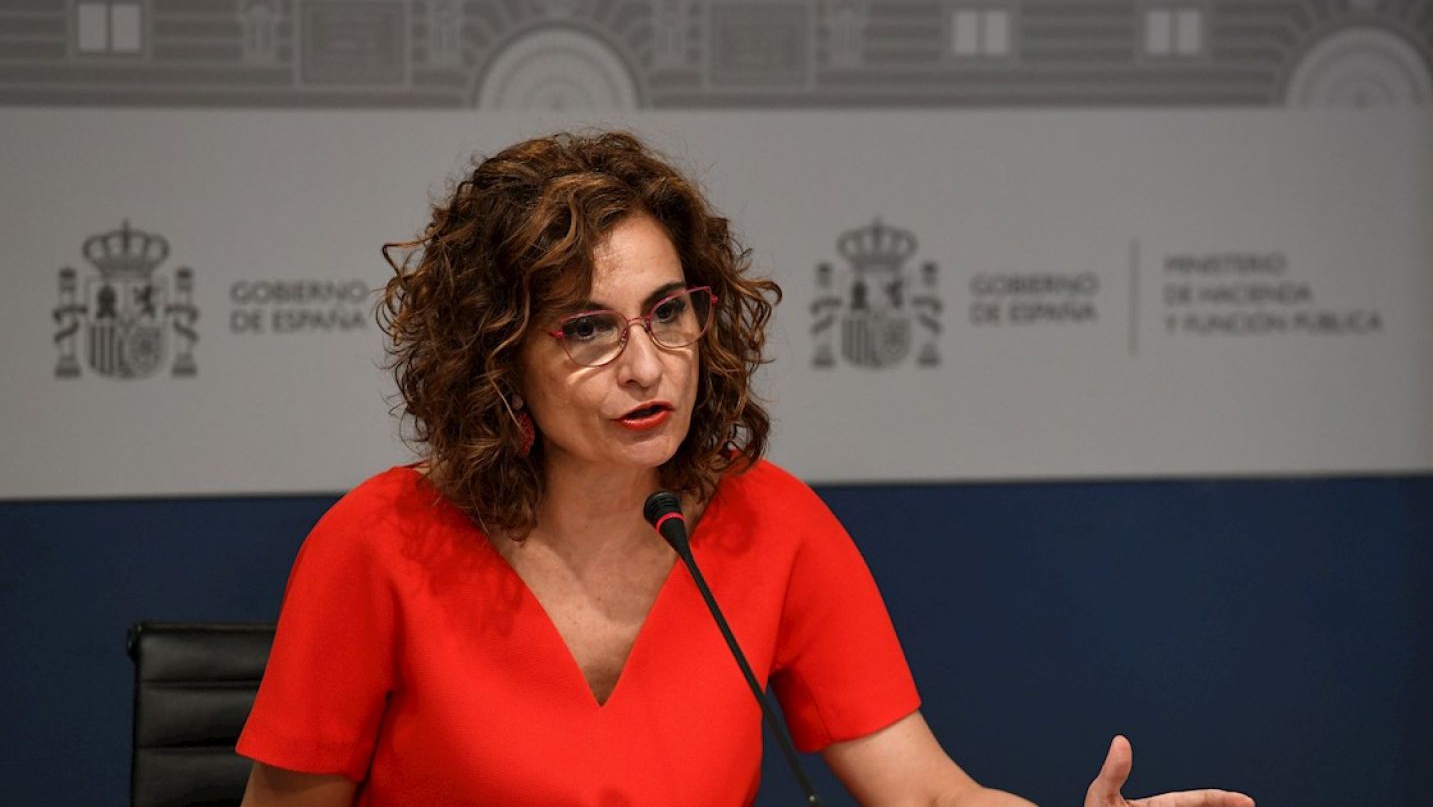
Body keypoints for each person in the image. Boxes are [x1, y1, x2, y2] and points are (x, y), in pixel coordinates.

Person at [236, 131, 1253, 807]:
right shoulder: (377, 546)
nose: (646, 366)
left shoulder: (772, 525)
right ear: (498, 357)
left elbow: (927, 792)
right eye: (588, 328)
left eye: (668, 312)